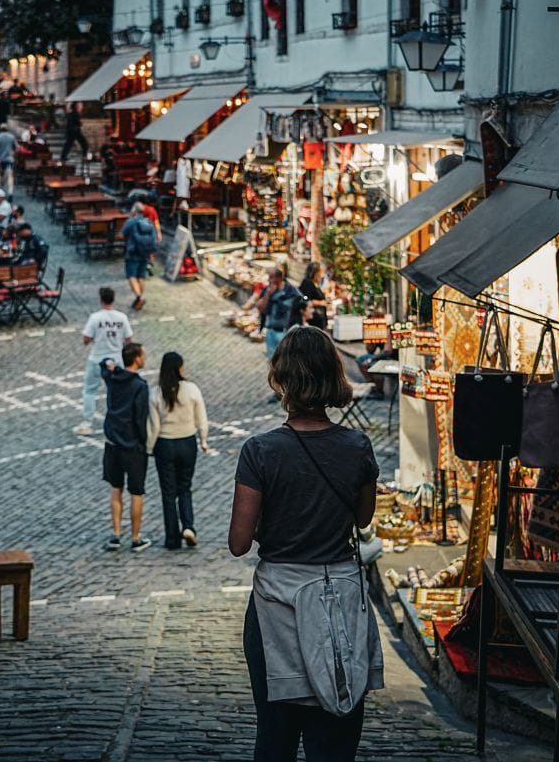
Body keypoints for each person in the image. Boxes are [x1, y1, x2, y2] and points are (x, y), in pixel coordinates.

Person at [229, 327, 383, 761]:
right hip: (339, 599)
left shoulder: (260, 451)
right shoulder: (357, 446)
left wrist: (271, 523)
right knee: (335, 734)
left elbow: (239, 542)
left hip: (278, 603)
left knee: (275, 735)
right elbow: (363, 517)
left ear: (282, 380)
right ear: (333, 377)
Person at [147, 352, 209, 550]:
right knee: (185, 487)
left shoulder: (156, 393)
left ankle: (172, 538)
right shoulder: (191, 389)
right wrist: (204, 440)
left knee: (168, 492)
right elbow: (202, 419)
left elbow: (154, 426)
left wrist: (149, 448)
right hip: (187, 442)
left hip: (165, 444)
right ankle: (188, 526)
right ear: (180, 368)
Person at [100, 342, 151, 553]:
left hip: (112, 443)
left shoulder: (113, 378)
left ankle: (116, 534)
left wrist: (110, 364)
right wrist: (144, 441)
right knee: (136, 492)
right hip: (133, 446)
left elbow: (103, 365)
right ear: (137, 358)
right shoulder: (140, 386)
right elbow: (141, 417)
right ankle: (136, 536)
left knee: (115, 489)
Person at [76, 287, 133, 436]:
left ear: (100, 300)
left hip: (97, 359)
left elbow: (86, 340)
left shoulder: (95, 318)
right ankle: (119, 422)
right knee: (117, 392)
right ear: (113, 299)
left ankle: (87, 423)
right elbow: (128, 339)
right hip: (117, 359)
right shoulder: (122, 317)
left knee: (89, 391)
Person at [121, 202, 158, 311]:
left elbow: (122, 234)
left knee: (131, 275)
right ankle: (138, 300)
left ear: (134, 211)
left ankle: (139, 297)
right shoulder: (148, 222)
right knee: (141, 276)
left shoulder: (131, 222)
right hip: (145, 252)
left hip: (133, 252)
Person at [299, 261, 329, 330]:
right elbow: (305, 299)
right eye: (320, 273)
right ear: (315, 273)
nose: (321, 275)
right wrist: (320, 303)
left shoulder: (315, 284)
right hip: (312, 322)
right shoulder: (307, 283)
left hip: (319, 321)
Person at [0, 123, 18, 198]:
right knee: (10, 175)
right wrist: (14, 155)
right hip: (9, 158)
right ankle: (10, 191)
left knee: (2, 175)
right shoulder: (12, 137)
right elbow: (16, 148)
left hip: (1, 159)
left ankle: (2, 190)